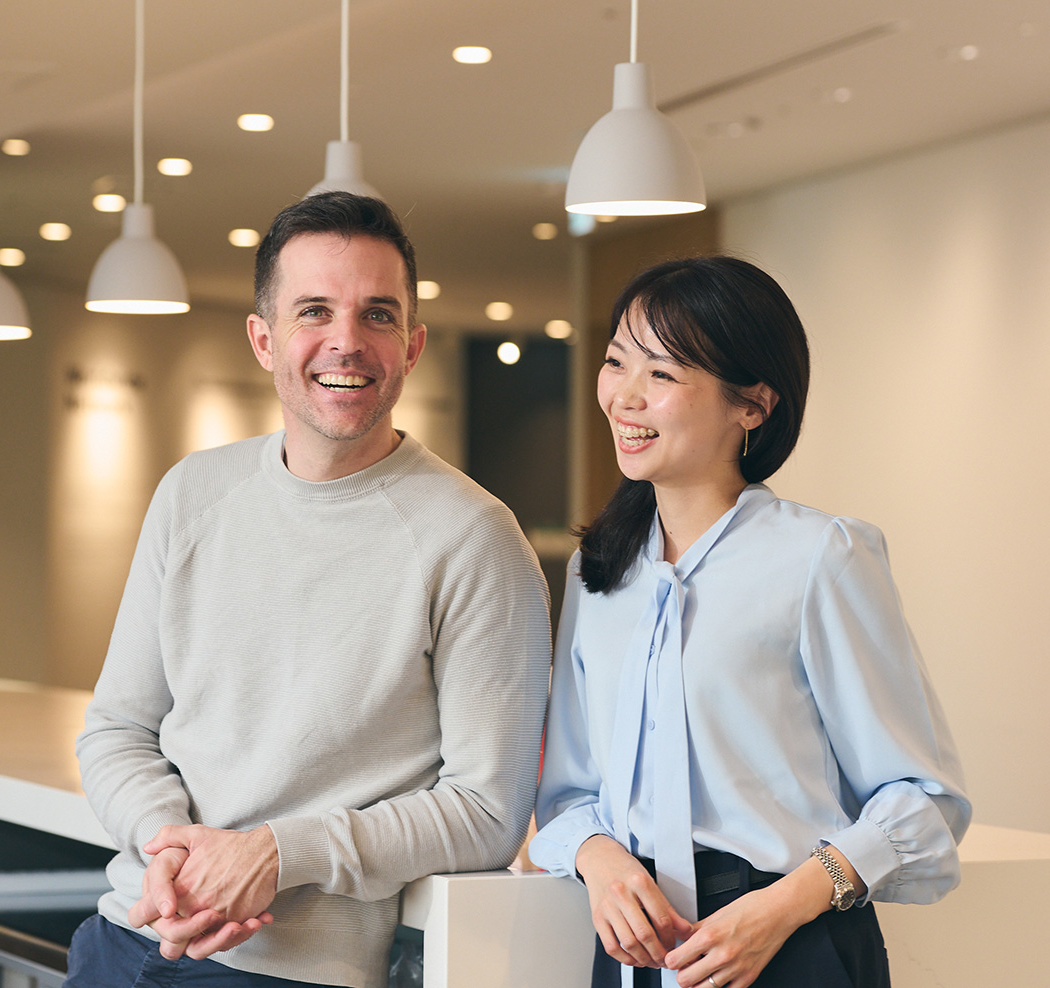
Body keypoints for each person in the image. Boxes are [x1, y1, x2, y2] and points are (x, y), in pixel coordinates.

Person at [68, 191, 552, 988]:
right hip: (127, 936)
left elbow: (488, 811)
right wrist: (172, 853)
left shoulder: (475, 537)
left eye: (378, 315)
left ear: (414, 343)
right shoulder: (192, 492)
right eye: (315, 311)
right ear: (264, 339)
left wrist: (274, 854)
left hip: (294, 974)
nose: (346, 342)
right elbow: (117, 727)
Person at [529, 256, 969, 988]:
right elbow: (569, 789)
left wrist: (782, 907)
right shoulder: (596, 570)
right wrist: (598, 858)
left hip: (792, 947)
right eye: (616, 363)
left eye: (662, 376)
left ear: (753, 405)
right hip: (634, 954)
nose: (624, 398)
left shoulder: (821, 557)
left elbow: (924, 799)